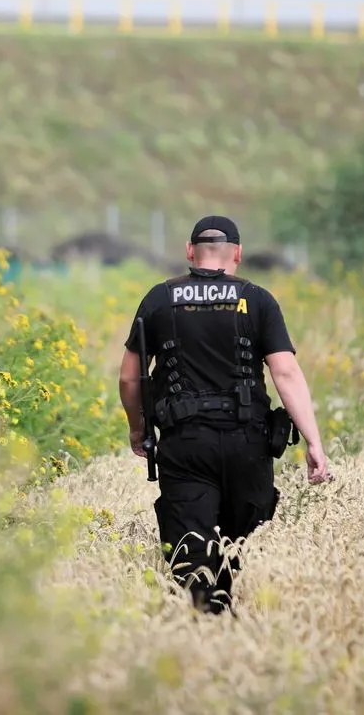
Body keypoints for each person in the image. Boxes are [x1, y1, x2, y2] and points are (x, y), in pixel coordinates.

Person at [118, 215, 332, 615]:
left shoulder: (160, 298)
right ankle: (240, 625)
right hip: (247, 443)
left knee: (191, 548)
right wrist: (314, 443)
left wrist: (138, 429)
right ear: (237, 253)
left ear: (189, 251)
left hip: (185, 444)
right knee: (244, 547)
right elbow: (285, 372)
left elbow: (130, 378)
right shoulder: (259, 300)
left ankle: (203, 622)